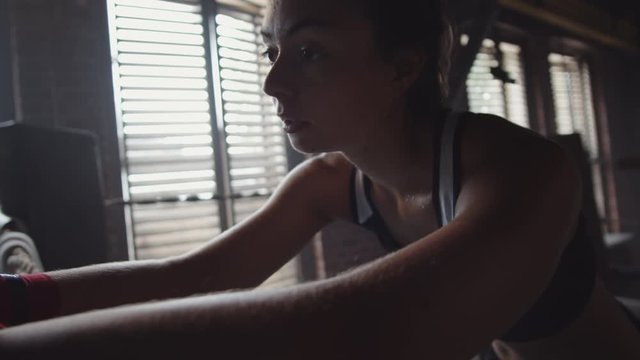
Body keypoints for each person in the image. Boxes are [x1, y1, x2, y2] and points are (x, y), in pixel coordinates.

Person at [1, 0, 640, 358]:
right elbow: (193, 279)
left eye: (310, 52)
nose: (274, 83)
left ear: (404, 65)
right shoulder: (329, 182)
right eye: (273, 52)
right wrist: (19, 298)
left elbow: (379, 324)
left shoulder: (521, 168)